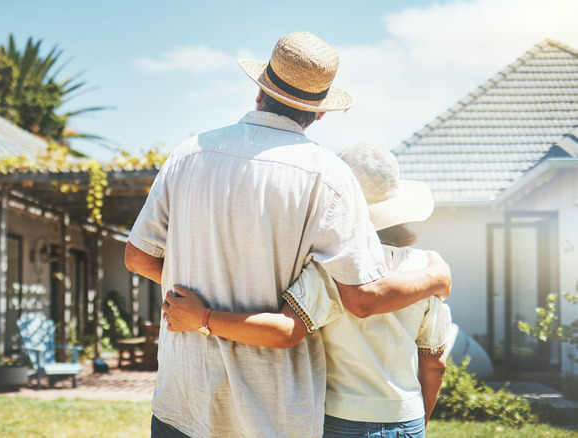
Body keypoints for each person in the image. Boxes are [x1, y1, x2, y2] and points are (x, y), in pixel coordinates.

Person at [125, 31, 451, 437]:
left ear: (260, 91)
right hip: (270, 409)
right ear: (319, 113)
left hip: (183, 396)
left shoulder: (189, 153)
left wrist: (203, 300)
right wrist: (438, 277)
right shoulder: (328, 176)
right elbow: (361, 297)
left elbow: (138, 257)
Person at [163, 142, 452, 437]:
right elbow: (434, 363)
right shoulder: (426, 268)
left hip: (343, 420)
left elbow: (287, 330)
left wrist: (202, 317)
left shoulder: (334, 269)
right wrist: (417, 423)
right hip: (409, 420)